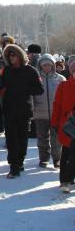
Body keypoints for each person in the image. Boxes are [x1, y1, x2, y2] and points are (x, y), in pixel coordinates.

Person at [1, 44, 44, 178]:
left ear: (20, 56)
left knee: (22, 138)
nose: (11, 57)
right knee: (11, 139)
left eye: (14, 55)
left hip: (24, 110)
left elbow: (39, 89)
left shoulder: (30, 70)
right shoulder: (6, 70)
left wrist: (25, 89)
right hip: (9, 109)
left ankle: (19, 162)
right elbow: (1, 86)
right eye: (9, 55)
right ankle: (14, 166)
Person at [34, 54, 65, 168]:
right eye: (44, 65)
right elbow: (31, 96)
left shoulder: (61, 79)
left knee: (56, 139)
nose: (47, 67)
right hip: (40, 114)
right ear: (40, 66)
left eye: (49, 65)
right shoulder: (36, 79)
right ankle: (43, 159)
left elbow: (65, 97)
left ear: (53, 65)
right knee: (42, 138)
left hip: (56, 115)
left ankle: (57, 159)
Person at [51, 58, 75, 193]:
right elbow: (57, 105)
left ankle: (70, 178)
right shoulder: (64, 86)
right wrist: (54, 122)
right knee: (66, 154)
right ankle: (64, 180)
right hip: (67, 126)